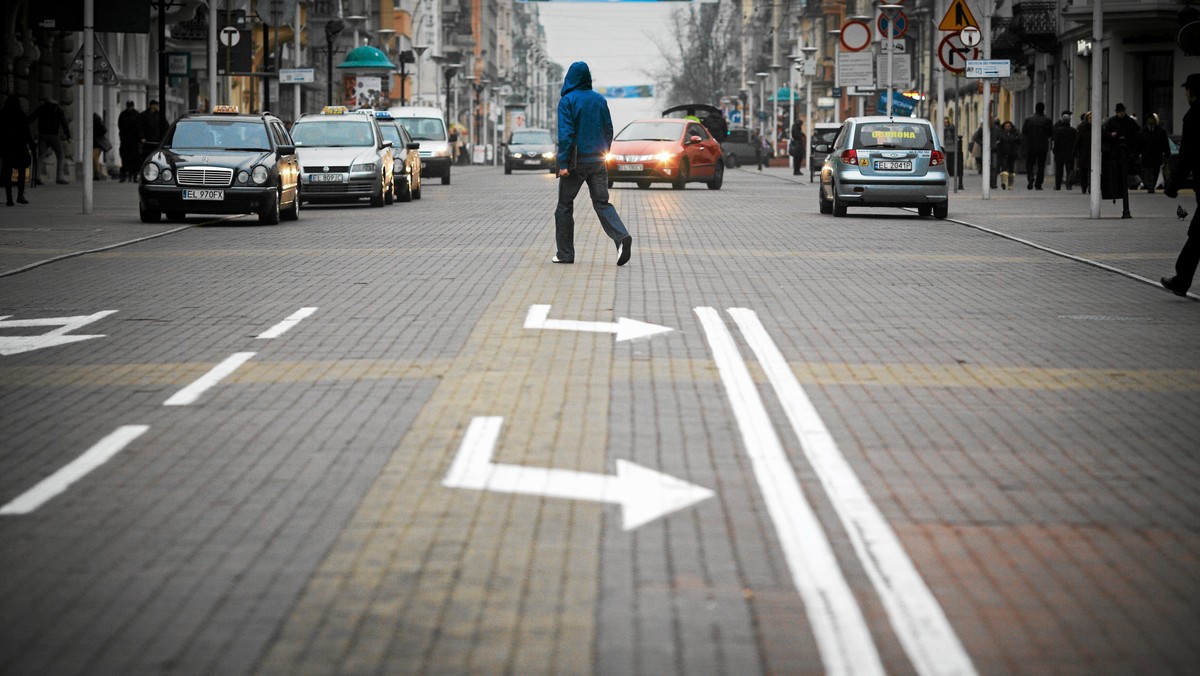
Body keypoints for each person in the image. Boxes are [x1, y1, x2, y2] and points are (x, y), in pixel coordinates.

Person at [552, 61, 632, 267]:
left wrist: (563, 163)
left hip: (575, 164)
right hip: (598, 161)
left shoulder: (567, 101)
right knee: (602, 203)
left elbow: (566, 134)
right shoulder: (599, 100)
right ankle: (621, 237)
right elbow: (608, 129)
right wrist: (604, 152)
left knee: (564, 206)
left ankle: (565, 254)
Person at [1162, 74, 1200, 298]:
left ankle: (1181, 280)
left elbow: (1187, 156)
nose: (1185, 93)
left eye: (1187, 90)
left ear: (1191, 91)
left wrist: (1173, 185)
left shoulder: (1193, 116)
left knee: (1197, 235)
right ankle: (1181, 280)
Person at [1102, 102, 1141, 194]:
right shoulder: (1111, 121)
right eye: (1119, 112)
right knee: (1117, 169)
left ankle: (1127, 185)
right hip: (1115, 150)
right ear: (1116, 112)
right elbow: (1104, 134)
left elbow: (1138, 133)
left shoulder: (1130, 122)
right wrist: (1110, 134)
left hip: (1128, 150)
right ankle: (1119, 186)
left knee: (1127, 169)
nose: (1121, 113)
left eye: (1122, 111)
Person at [30, 97, 70, 185]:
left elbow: (32, 117)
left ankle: (36, 177)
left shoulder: (42, 108)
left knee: (41, 156)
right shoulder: (58, 109)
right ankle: (59, 177)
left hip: (42, 135)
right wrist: (67, 134)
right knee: (60, 155)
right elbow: (64, 122)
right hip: (54, 135)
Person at [2, 96, 33, 205]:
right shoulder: (21, 115)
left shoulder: (3, 115)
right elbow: (27, 133)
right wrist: (32, 146)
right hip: (20, 148)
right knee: (21, 173)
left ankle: (9, 198)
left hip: (7, 148)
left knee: (8, 174)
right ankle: (20, 195)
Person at [1021, 102, 1053, 190]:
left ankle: (1030, 176)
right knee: (1041, 165)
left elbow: (1024, 132)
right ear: (1043, 109)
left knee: (1030, 164)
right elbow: (1051, 133)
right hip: (1043, 146)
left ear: (1035, 108)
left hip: (1030, 145)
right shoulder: (1047, 120)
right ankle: (1038, 183)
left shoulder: (1029, 119)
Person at [1136, 112, 1170, 193]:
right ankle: (1150, 186)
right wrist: (1137, 154)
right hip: (1146, 156)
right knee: (1147, 172)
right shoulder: (1142, 132)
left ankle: (1152, 184)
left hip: (1157, 156)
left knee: (1155, 172)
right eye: (1149, 120)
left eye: (1152, 120)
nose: (1151, 121)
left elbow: (1165, 144)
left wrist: (1167, 154)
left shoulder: (1160, 132)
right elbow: (1138, 145)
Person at [1051, 110, 1077, 190]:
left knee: (1059, 170)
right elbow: (1075, 142)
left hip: (1059, 153)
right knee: (1069, 169)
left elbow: (1056, 142)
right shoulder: (1073, 131)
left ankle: (1058, 186)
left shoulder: (1058, 130)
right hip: (1070, 153)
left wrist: (1054, 150)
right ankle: (1069, 185)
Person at [117, 100, 140, 182]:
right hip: (125, 140)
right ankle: (124, 175)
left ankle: (134, 176)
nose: (129, 108)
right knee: (125, 158)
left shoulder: (136, 114)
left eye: (130, 106)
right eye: (128, 106)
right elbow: (120, 126)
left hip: (134, 140)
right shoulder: (123, 115)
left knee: (134, 159)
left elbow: (139, 127)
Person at [995, 120, 1021, 190]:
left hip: (1012, 154)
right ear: (1004, 127)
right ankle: (1004, 182)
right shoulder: (1000, 134)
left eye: (1009, 126)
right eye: (1006, 126)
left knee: (1011, 169)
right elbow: (998, 144)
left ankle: (1010, 185)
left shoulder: (1015, 134)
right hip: (1003, 154)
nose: (1007, 127)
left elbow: (1019, 143)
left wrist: (1017, 139)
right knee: (1004, 168)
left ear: (1011, 127)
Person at [138, 100, 163, 171]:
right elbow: (140, 127)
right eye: (155, 105)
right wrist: (142, 137)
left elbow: (165, 127)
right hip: (147, 141)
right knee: (146, 157)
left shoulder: (160, 115)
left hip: (157, 141)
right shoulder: (143, 115)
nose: (156, 107)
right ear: (151, 105)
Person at [1074, 111, 1093, 193]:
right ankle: (1084, 187)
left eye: (1092, 118)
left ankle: (1092, 187)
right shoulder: (1082, 128)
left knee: (1093, 171)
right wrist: (1075, 151)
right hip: (1084, 152)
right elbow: (1078, 140)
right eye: (1090, 118)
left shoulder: (1096, 128)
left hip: (1093, 153)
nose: (1091, 119)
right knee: (1084, 171)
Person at [92, 112, 110, 180]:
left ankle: (97, 173)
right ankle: (97, 173)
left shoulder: (95, 118)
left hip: (96, 143)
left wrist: (97, 135)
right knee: (95, 159)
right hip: (95, 142)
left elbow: (104, 129)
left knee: (94, 158)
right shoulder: (95, 118)